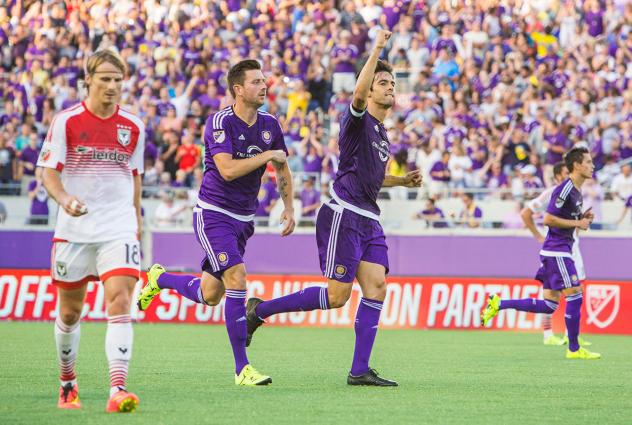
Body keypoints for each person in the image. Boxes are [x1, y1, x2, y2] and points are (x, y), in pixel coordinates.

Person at [245, 30, 422, 386]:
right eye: (383, 82)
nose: (390, 87)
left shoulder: (382, 133)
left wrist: (401, 182)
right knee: (338, 297)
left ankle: (359, 370)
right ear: (368, 90)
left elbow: (371, 178)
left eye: (392, 83)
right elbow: (357, 93)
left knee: (377, 287)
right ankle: (259, 310)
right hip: (344, 213)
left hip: (370, 217)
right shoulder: (356, 121)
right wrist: (376, 49)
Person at [137, 59, 295, 386]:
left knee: (211, 294)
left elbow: (283, 169)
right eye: (256, 81)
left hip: (244, 218)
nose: (264, 86)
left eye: (264, 80)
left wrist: (289, 206)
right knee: (237, 278)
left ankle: (159, 278)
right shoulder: (219, 122)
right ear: (238, 89)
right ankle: (242, 369)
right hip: (214, 213)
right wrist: (267, 156)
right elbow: (227, 170)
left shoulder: (270, 124)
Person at [37, 49, 144, 412]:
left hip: (119, 226)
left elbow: (134, 176)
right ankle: (68, 382)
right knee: (69, 312)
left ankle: (118, 390)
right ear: (89, 80)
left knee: (120, 301)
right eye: (105, 79)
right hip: (75, 229)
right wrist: (65, 198)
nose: (112, 86)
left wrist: (137, 222)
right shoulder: (66, 121)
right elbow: (49, 172)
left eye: (118, 80)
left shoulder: (134, 127)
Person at [482, 147, 601, 360]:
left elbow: (564, 220)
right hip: (558, 252)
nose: (593, 166)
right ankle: (574, 349)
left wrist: (582, 218)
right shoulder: (564, 189)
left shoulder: (576, 191)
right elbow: (548, 219)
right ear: (577, 165)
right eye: (589, 162)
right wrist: (578, 222)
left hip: (556, 251)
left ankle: (499, 303)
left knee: (549, 305)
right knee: (576, 295)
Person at [520, 161, 592, 347]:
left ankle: (571, 335)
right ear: (559, 175)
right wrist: (538, 236)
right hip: (557, 248)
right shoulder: (555, 192)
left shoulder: (575, 191)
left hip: (572, 247)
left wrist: (582, 220)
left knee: (576, 291)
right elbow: (526, 213)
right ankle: (548, 334)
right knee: (553, 294)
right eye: (567, 172)